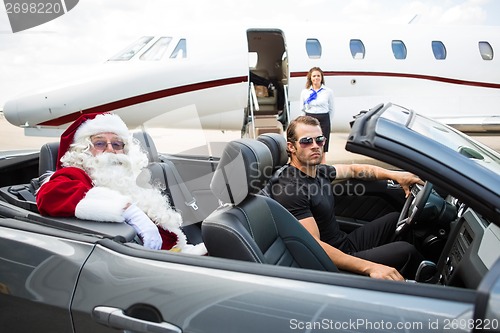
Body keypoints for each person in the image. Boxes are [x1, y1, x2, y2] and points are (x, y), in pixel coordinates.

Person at [266, 116, 424, 280]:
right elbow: (313, 246)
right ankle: (435, 289)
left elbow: (354, 170)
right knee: (406, 251)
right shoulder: (290, 189)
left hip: (344, 244)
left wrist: (395, 175)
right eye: (306, 141)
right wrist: (370, 267)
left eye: (319, 140)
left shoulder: (318, 171)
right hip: (334, 262)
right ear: (291, 147)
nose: (315, 146)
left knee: (397, 220)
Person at [36, 112, 206, 255]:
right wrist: (129, 211)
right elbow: (49, 194)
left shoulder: (129, 178)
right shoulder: (77, 173)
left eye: (117, 144)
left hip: (169, 257)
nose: (111, 149)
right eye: (100, 143)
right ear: (84, 150)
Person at [299, 67, 334, 164]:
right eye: (314, 76)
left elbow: (331, 109)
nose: (316, 78)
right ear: (310, 78)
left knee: (322, 143)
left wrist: (328, 121)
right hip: (309, 118)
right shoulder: (305, 92)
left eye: (318, 76)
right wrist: (303, 122)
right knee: (310, 142)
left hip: (324, 119)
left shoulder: (328, 92)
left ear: (321, 78)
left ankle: (323, 164)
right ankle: (310, 162)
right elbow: (302, 108)